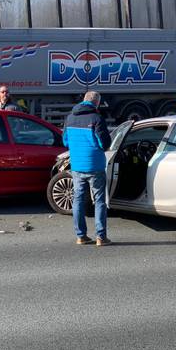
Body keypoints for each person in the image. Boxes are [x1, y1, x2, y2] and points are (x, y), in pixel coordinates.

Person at [63, 91, 112, 246]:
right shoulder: (97, 118)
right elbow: (105, 144)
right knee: (98, 201)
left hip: (77, 165)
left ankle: (81, 236)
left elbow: (65, 141)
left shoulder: (69, 118)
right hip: (95, 164)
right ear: (96, 103)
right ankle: (101, 237)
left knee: (77, 200)